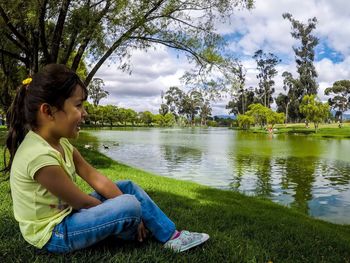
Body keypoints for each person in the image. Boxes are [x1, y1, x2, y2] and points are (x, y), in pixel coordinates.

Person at [3, 64, 209, 254]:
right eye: (78, 105)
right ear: (48, 111)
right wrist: (130, 214)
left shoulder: (61, 143)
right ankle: (135, 228)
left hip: (69, 215)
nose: (84, 113)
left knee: (128, 188)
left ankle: (172, 236)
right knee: (128, 205)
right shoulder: (38, 156)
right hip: (54, 233)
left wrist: (123, 205)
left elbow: (95, 177)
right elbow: (81, 201)